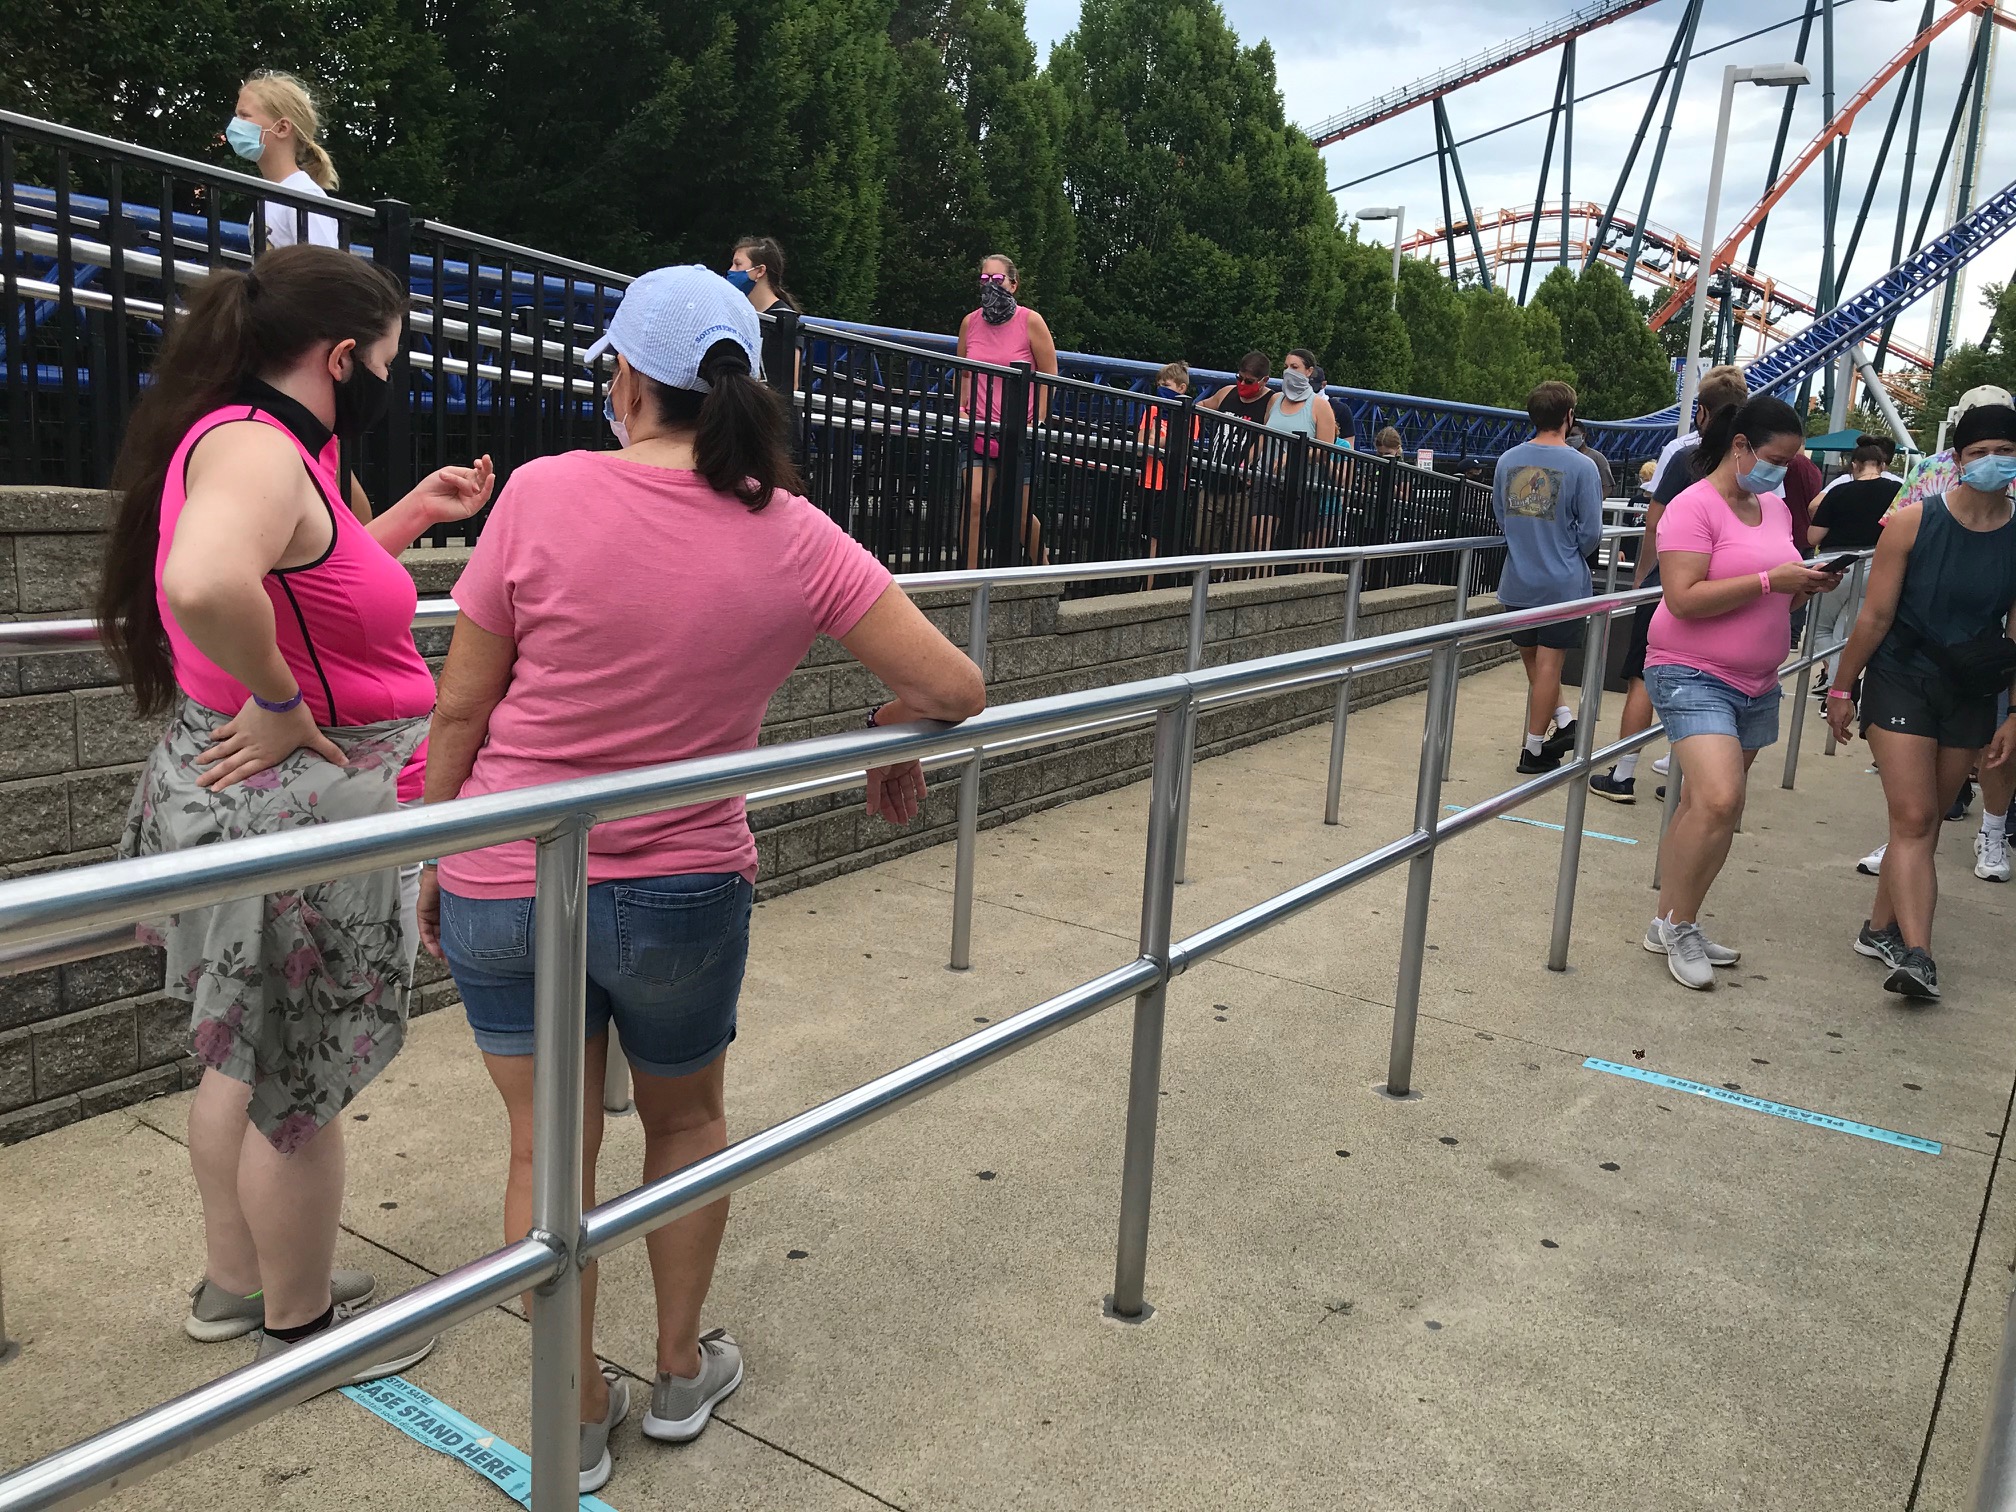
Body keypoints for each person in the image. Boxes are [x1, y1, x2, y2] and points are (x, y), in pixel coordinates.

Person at [419, 266, 985, 1494]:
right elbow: (956, 688)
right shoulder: (791, 530)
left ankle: (571, 1413)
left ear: (623, 377)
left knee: (542, 1145)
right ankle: (680, 1374)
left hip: (505, 872)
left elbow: (462, 704)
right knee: (685, 1124)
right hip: (680, 886)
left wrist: (433, 846)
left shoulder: (544, 493)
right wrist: (891, 724)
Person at [95, 245, 495, 1377]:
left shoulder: (248, 444)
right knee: (298, 1085)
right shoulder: (263, 454)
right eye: (388, 358)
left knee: (243, 1053)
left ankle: (239, 1282)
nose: (390, 377)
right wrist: (278, 697)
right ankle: (306, 1328)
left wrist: (414, 511)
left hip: (244, 796)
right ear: (338, 357)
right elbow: (208, 585)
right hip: (295, 810)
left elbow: (300, 582)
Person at [1642, 396, 1840, 989]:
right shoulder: (1691, 507)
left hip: (1757, 679)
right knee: (1720, 799)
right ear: (1741, 447)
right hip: (1691, 668)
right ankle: (1678, 925)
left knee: (1708, 807)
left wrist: (1801, 585)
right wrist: (1768, 581)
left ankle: (1673, 920)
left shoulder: (1775, 508)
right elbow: (1682, 597)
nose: (1784, 471)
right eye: (1777, 459)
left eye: (1791, 461)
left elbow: (1776, 581)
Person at [1823, 402, 2016, 1000]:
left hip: (1972, 687)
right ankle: (1919, 955)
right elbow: (1874, 615)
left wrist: (2012, 715)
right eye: (1979, 452)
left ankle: (1879, 927)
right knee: (1912, 818)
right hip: (1902, 674)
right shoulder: (1912, 523)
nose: (1992, 462)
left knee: (1927, 819)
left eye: (2004, 452)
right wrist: (1839, 687)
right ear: (1956, 460)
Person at [1590, 367, 1750, 802]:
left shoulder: (1684, 456)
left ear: (1702, 411)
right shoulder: (1753, 461)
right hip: (1729, 592)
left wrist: (1642, 578)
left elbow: (1655, 526)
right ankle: (1685, 781)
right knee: (1710, 681)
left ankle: (1623, 773)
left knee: (1643, 673)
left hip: (1672, 586)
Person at [1491, 380, 1604, 774]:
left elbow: (1502, 516)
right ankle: (1534, 749)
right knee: (1549, 666)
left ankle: (1565, 721)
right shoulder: (1583, 466)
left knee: (1534, 663)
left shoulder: (1507, 461)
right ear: (1568, 417)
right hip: (1562, 582)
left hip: (1518, 579)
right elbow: (1591, 532)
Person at [957, 253, 1058, 568]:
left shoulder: (1031, 321)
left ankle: (1042, 567)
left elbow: (1049, 373)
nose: (990, 286)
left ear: (1013, 285)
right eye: (984, 279)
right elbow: (964, 373)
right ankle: (968, 583)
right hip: (977, 429)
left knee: (1020, 514)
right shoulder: (969, 323)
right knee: (974, 503)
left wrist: (1038, 420)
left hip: (1019, 432)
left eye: (997, 280)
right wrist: (962, 409)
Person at [1806, 441, 1900, 685]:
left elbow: (1813, 537)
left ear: (1854, 466)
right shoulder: (1897, 489)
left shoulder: (1839, 491)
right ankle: (1846, 682)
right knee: (1851, 632)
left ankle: (1837, 682)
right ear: (1882, 465)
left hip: (1837, 565)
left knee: (1820, 629)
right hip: (1878, 566)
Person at [227, 71, 341, 252]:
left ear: (281, 128)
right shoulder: (269, 196)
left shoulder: (305, 196)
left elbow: (323, 272)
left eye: (244, 115)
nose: (235, 123)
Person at [1259, 347, 1339, 561]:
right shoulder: (1275, 399)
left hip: (1303, 486)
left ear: (1308, 371)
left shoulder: (1321, 406)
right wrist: (1247, 465)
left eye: (1294, 367)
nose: (1288, 371)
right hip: (1268, 479)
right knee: (1259, 537)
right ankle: (1261, 581)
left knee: (1291, 547)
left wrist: (1292, 456)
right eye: (1286, 367)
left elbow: (1324, 450)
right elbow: (1263, 435)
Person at [1198, 351, 1276, 555]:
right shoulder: (1227, 392)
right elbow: (1205, 405)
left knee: (1239, 547)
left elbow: (1266, 436)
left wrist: (1246, 465)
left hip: (1243, 488)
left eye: (1249, 381)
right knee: (1202, 542)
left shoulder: (1270, 401)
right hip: (1212, 480)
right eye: (1239, 378)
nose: (1242, 384)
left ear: (1263, 380)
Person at [1894, 386, 2014, 515]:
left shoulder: (1928, 468)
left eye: (2004, 450)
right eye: (1978, 452)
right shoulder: (1927, 468)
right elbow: (1900, 522)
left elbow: (1896, 518)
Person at [1139, 360, 1197, 578]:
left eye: (1167, 385)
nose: (1161, 388)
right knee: (1145, 536)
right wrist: (1157, 439)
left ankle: (1150, 586)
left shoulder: (1189, 415)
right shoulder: (1152, 408)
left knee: (1157, 539)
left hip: (1169, 485)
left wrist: (1157, 438)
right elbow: (1142, 443)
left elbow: (1176, 442)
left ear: (1181, 388)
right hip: (1146, 480)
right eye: (1159, 384)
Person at [727, 235, 799, 393]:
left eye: (737, 265)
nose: (731, 271)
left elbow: (790, 384)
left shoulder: (784, 319)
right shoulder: (739, 314)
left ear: (760, 271)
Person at [1567, 423, 1616, 498]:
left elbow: (1607, 486)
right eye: (1567, 435)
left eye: (1573, 435)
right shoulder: (1563, 457)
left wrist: (1594, 502)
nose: (1569, 438)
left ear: (1583, 436)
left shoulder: (1597, 458)